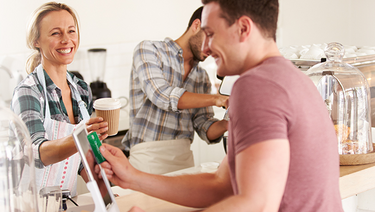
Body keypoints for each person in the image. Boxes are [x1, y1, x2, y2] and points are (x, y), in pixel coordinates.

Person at [95, 0, 344, 211]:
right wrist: (132, 177)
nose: (205, 48)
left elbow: (255, 204)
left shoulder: (256, 85)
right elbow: (222, 184)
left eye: (211, 34)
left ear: (243, 28)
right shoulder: (295, 79)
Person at [11, 2, 108, 197]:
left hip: (65, 203)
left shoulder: (81, 89)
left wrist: (105, 193)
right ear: (36, 40)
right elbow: (36, 154)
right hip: (31, 205)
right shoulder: (28, 91)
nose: (66, 40)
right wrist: (82, 136)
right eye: (55, 33)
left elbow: (81, 160)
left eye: (71, 31)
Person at [122, 6, 229, 174]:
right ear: (196, 25)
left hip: (183, 160)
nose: (213, 48)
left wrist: (228, 123)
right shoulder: (149, 50)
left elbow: (203, 125)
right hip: (147, 158)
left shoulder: (201, 76)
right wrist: (218, 99)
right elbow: (162, 95)